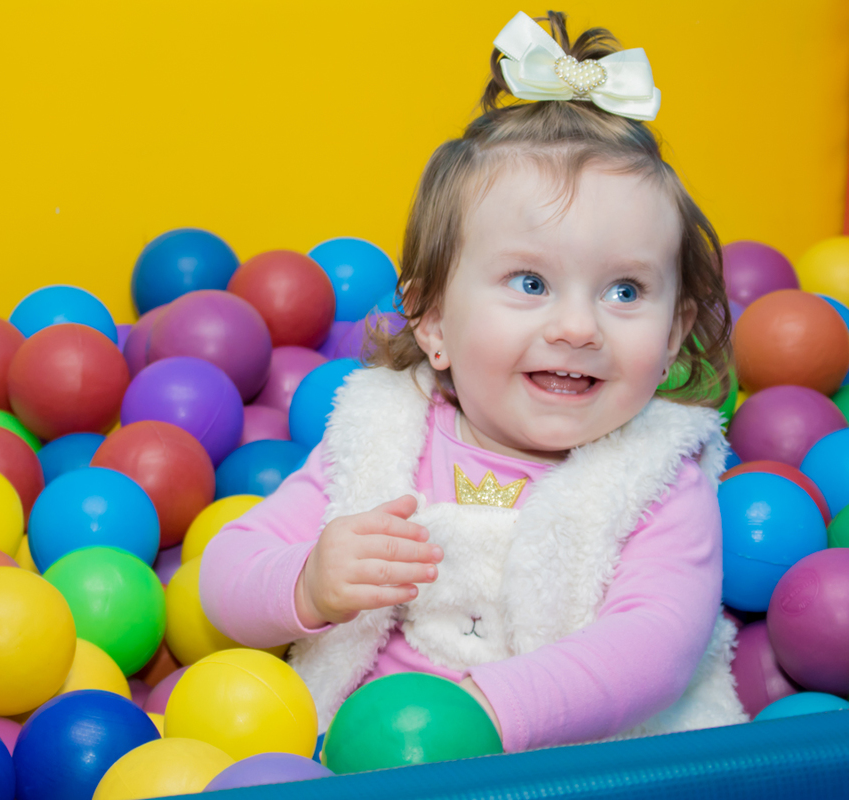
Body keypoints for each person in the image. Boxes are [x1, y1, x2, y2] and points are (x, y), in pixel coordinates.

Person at [200, 10, 746, 754]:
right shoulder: (384, 434)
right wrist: (308, 583)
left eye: (624, 292)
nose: (579, 328)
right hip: (370, 757)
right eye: (530, 282)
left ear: (677, 330)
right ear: (431, 322)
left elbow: (655, 646)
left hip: (580, 765)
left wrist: (487, 713)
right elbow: (224, 574)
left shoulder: (655, 473)